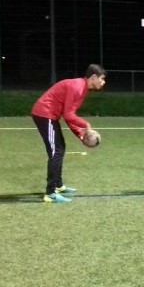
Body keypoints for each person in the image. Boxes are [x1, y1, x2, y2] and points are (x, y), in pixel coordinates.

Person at [31, 64, 107, 203]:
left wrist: (81, 134)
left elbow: (70, 115)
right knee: (56, 151)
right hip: (44, 113)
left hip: (50, 115)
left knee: (60, 148)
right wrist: (86, 125)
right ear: (94, 77)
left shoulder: (82, 88)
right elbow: (68, 115)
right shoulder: (77, 87)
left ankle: (58, 186)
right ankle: (50, 193)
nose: (103, 82)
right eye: (102, 79)